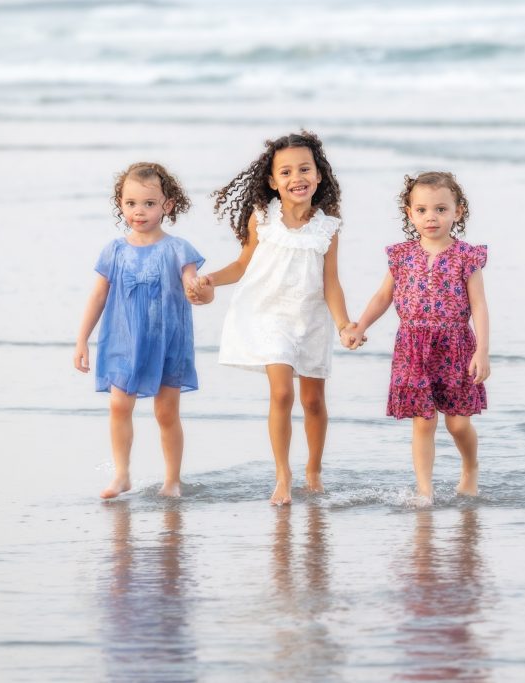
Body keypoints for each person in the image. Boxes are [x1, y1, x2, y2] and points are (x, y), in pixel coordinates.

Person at [188, 131, 355, 505]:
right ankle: (283, 475)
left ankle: (313, 470)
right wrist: (212, 278)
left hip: (310, 317)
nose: (297, 177)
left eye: (304, 169)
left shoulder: (328, 226)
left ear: (319, 175)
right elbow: (243, 265)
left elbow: (331, 283)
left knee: (313, 401)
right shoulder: (262, 218)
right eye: (286, 172)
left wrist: (344, 324)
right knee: (282, 392)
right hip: (268, 313)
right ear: (272, 181)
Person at [344, 172, 490, 505]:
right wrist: (361, 325)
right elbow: (383, 296)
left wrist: (482, 350)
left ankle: (470, 467)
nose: (431, 217)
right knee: (423, 421)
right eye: (422, 210)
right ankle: (425, 491)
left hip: (455, 345)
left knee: (457, 424)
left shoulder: (468, 257)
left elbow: (480, 306)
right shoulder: (401, 256)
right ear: (410, 214)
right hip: (412, 346)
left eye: (441, 209)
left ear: (458, 211)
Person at [74, 162, 204, 499]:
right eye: (131, 203)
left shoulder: (179, 250)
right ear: (120, 203)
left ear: (167, 205)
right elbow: (98, 296)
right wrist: (81, 340)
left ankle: (172, 480)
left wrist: (196, 286)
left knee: (166, 412)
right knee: (119, 406)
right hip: (121, 341)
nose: (139, 211)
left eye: (149, 203)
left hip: (168, 343)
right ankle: (121, 475)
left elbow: (194, 285)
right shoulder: (114, 250)